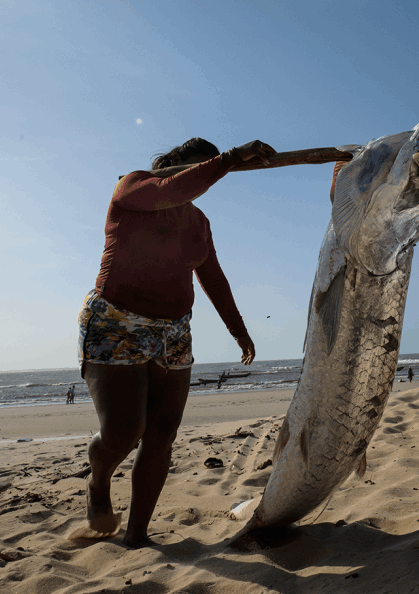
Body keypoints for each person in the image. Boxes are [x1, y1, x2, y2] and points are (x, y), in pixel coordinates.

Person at [76, 136, 275, 548]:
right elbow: (177, 188)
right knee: (124, 430)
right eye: (198, 168)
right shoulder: (132, 187)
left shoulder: (198, 221)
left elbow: (213, 278)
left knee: (162, 433)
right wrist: (232, 158)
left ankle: (137, 535)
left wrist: (238, 329)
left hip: (173, 331)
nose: (203, 178)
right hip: (117, 321)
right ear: (175, 164)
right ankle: (98, 483)